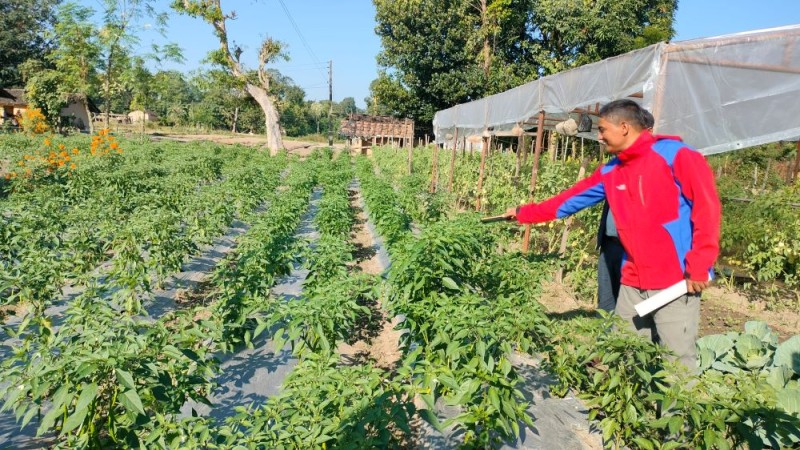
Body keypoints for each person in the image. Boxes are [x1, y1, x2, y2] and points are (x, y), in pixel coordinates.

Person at [505, 99, 721, 369]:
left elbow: (707, 209)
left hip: (676, 281)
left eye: (603, 129)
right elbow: (568, 201)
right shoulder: (612, 171)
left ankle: (674, 413)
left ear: (624, 127)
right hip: (633, 279)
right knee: (623, 350)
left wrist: (700, 264)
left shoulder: (677, 155)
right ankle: (628, 409)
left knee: (677, 362)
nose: (599, 135)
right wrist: (524, 213)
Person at [595, 109, 655, 314]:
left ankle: (625, 341)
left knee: (630, 305)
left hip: (632, 250)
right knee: (606, 301)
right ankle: (605, 340)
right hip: (609, 244)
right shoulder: (618, 166)